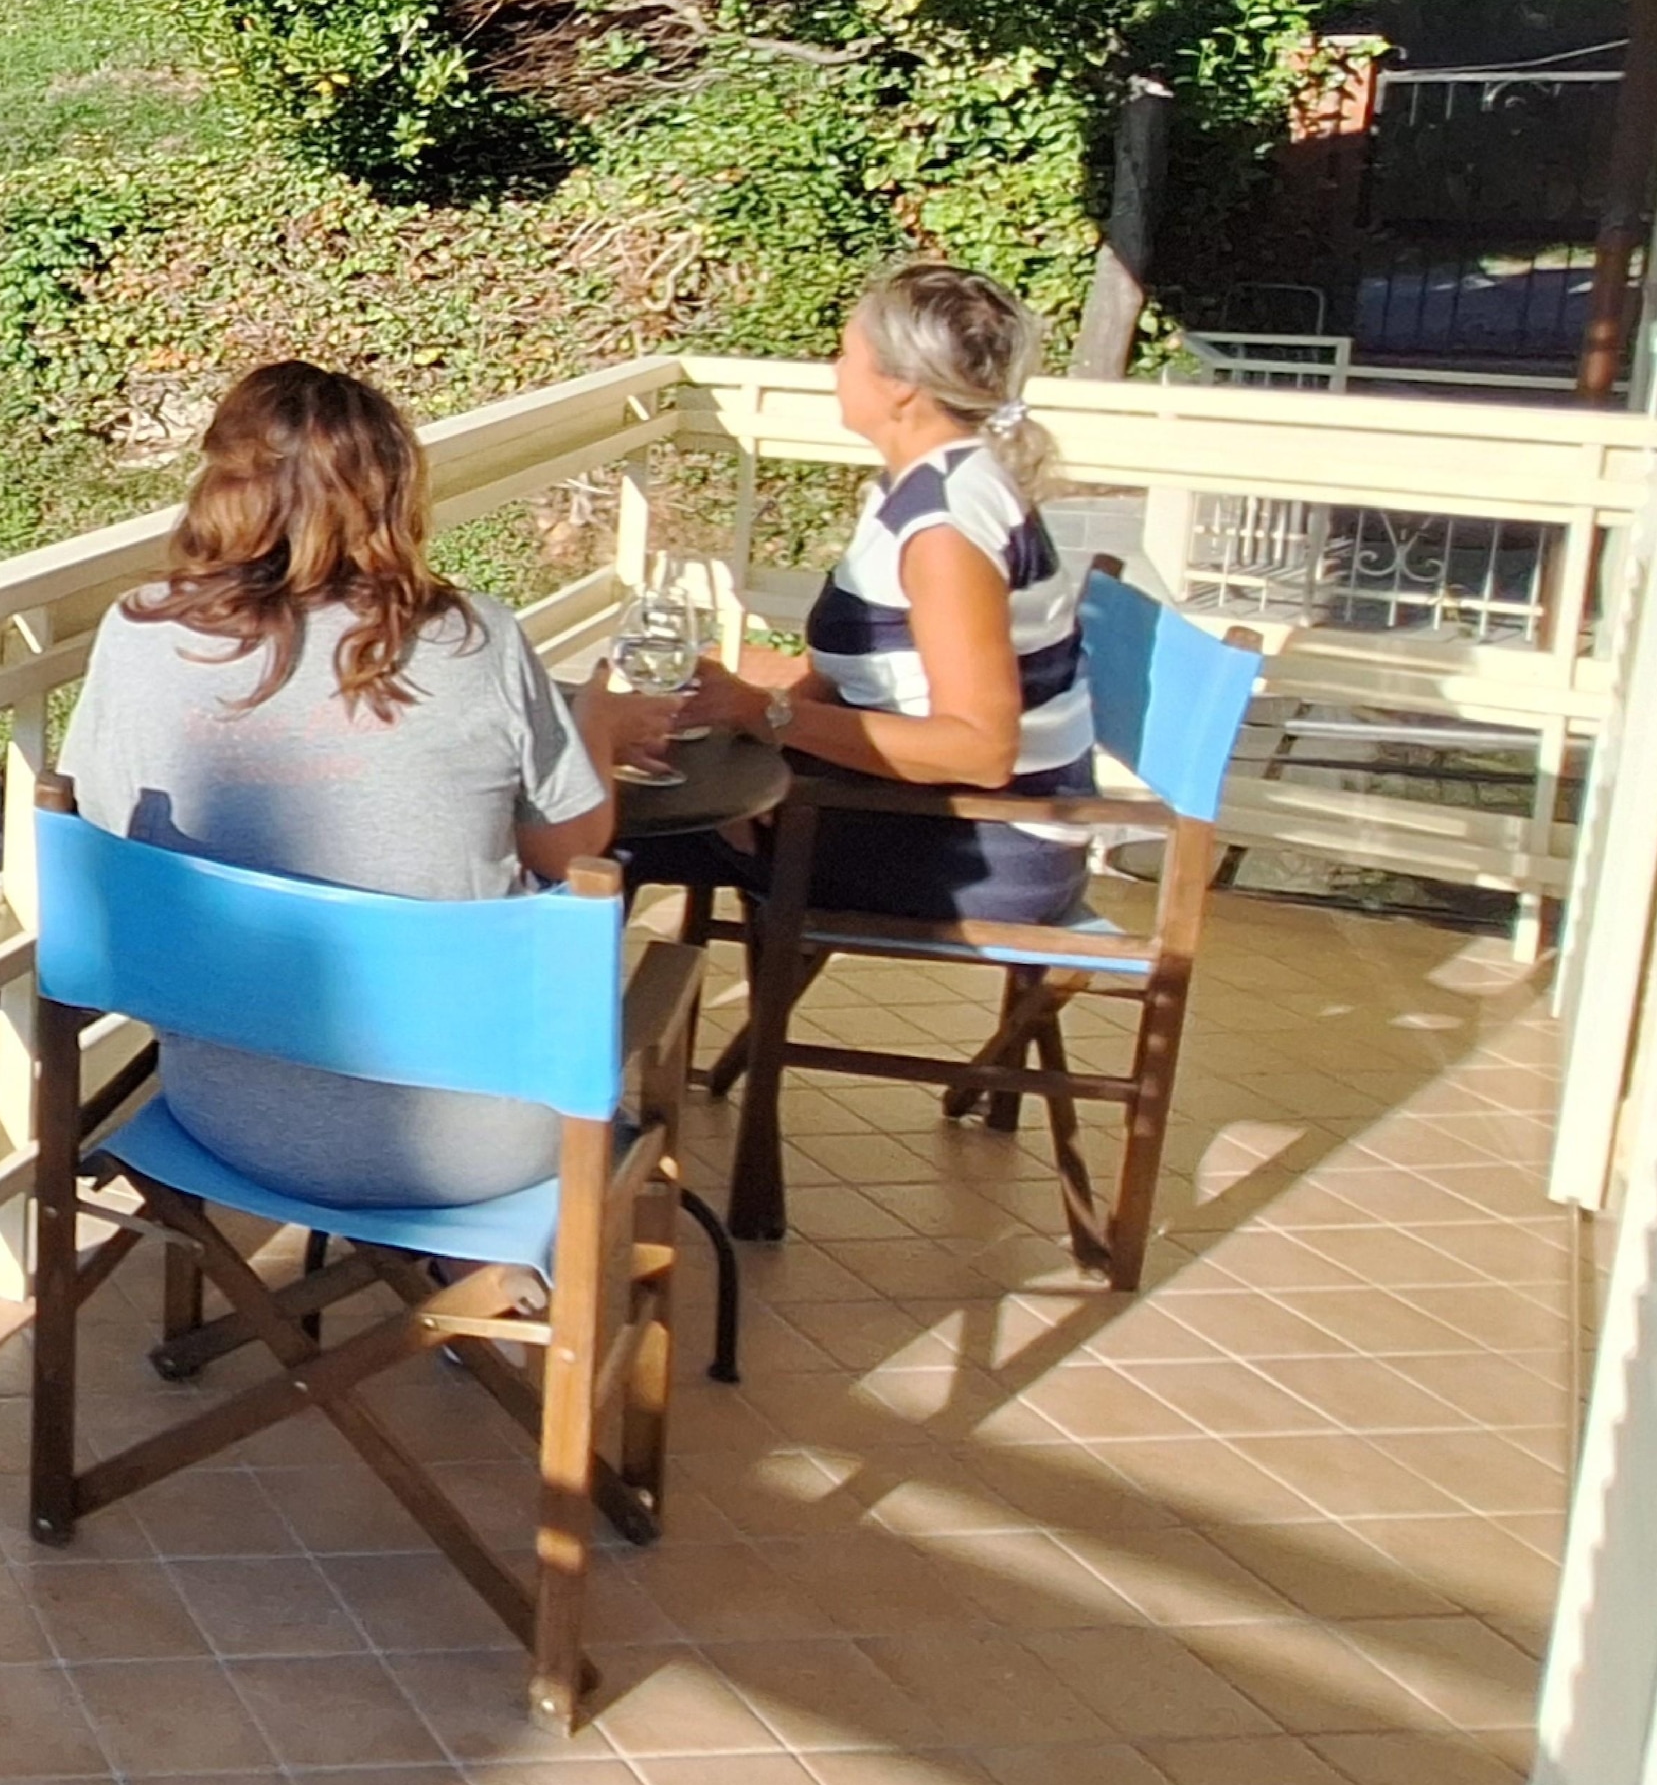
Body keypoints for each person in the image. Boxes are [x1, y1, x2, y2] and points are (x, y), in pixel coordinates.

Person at [60, 359, 663, 1212]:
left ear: (219, 484)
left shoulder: (142, 634)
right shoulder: (474, 639)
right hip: (476, 1148)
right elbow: (569, 847)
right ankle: (480, 1296)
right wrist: (597, 721)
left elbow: (115, 834)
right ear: (394, 495)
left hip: (228, 1116)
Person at [663, 260, 1096, 925]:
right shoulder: (936, 481)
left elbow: (981, 749)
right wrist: (776, 688)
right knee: (656, 792)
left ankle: (624, 1027)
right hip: (952, 823)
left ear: (899, 386)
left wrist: (769, 713)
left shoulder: (946, 528)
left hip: (981, 849)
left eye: (846, 352)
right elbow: (907, 675)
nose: (834, 367)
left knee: (615, 826)